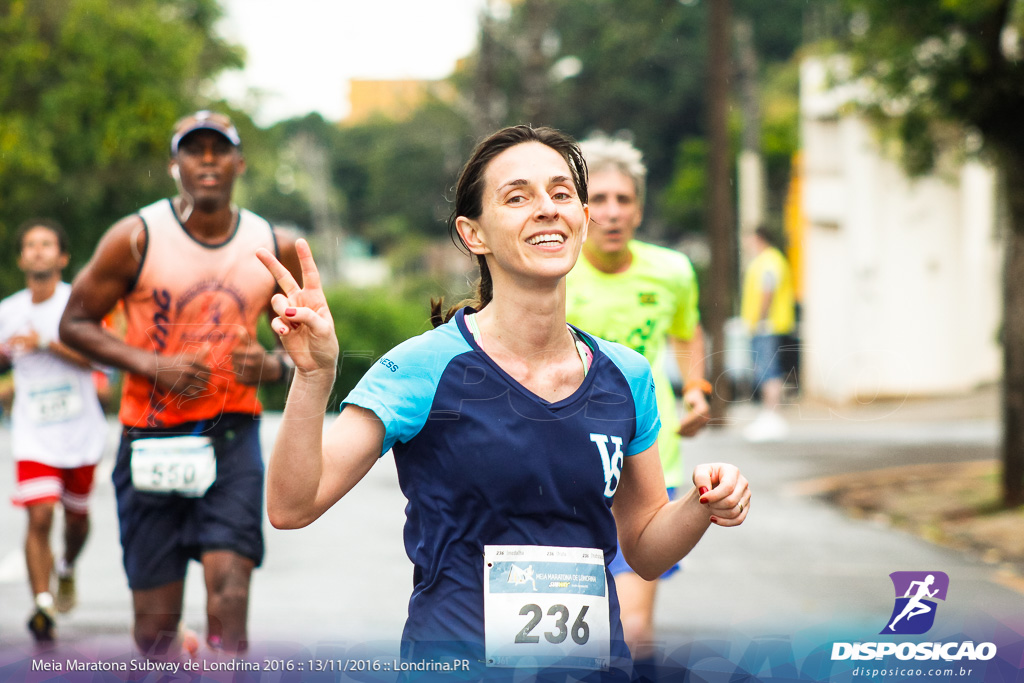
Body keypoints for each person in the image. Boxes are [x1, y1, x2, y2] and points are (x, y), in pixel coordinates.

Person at [256, 125, 750, 681]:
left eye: (561, 194)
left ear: (583, 220)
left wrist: (703, 503)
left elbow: (644, 550)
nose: (546, 209)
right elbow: (292, 507)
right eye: (517, 197)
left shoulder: (627, 375)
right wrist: (314, 375)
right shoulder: (424, 368)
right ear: (474, 234)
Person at [59, 111, 301, 658]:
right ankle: (177, 655)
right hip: (148, 435)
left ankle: (221, 665)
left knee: (230, 593)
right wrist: (150, 364)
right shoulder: (136, 237)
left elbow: (309, 345)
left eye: (220, 149)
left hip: (231, 435)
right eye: (195, 150)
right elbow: (72, 324)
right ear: (175, 165)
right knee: (153, 632)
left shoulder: (272, 244)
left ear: (239, 163)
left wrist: (270, 366)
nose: (208, 159)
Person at [564, 135, 711, 670]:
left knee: (633, 628)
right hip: (560, 461)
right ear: (581, 210)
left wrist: (697, 389)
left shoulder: (671, 271)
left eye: (623, 200)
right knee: (562, 634)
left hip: (646, 460)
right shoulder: (553, 271)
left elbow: (686, 333)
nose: (611, 212)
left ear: (639, 209)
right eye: (598, 199)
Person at [0, 219, 108, 643]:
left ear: (63, 257)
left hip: (80, 434)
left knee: (77, 521)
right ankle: (42, 603)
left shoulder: (79, 305)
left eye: (47, 245)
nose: (39, 251)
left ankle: (65, 568)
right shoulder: (7, 311)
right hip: (33, 432)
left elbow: (103, 362)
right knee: (40, 513)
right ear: (21, 258)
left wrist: (47, 343)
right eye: (31, 245)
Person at [740, 225, 795, 442]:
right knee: (767, 370)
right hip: (767, 324)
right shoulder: (770, 259)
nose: (746, 244)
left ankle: (772, 416)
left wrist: (761, 317)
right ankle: (769, 415)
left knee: (768, 370)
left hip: (767, 325)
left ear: (758, 239)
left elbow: (767, 290)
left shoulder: (769, 260)